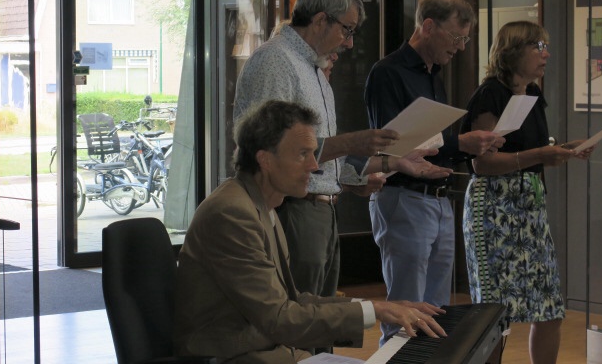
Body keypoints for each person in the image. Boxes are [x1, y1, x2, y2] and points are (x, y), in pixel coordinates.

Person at [173, 100, 447, 363]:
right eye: (302, 154)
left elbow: (293, 300)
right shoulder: (233, 213)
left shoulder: (259, 203)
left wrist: (380, 307)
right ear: (265, 159)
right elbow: (279, 319)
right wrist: (374, 310)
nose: (315, 166)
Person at [233, 0, 450, 299]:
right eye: (347, 30)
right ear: (321, 20)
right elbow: (272, 151)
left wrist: (388, 165)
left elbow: (319, 156)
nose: (349, 43)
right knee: (297, 315)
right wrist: (352, 143)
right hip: (292, 209)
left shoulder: (312, 68)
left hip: (321, 209)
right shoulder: (276, 60)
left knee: (320, 316)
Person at [364, 0, 505, 345]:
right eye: (456, 37)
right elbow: (392, 147)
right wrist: (461, 144)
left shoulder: (434, 75)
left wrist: (470, 146)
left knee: (436, 313)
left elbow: (432, 145)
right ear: (428, 27)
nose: (461, 47)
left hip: (439, 199)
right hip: (404, 197)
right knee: (405, 314)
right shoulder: (388, 72)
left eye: (465, 39)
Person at [460, 21, 593, 364]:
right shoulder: (490, 93)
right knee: (493, 313)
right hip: (495, 207)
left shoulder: (532, 93)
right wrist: (539, 156)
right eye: (538, 46)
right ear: (513, 51)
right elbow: (482, 163)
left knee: (549, 308)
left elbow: (529, 149)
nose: (545, 54)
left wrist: (564, 149)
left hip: (530, 206)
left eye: (545, 46)